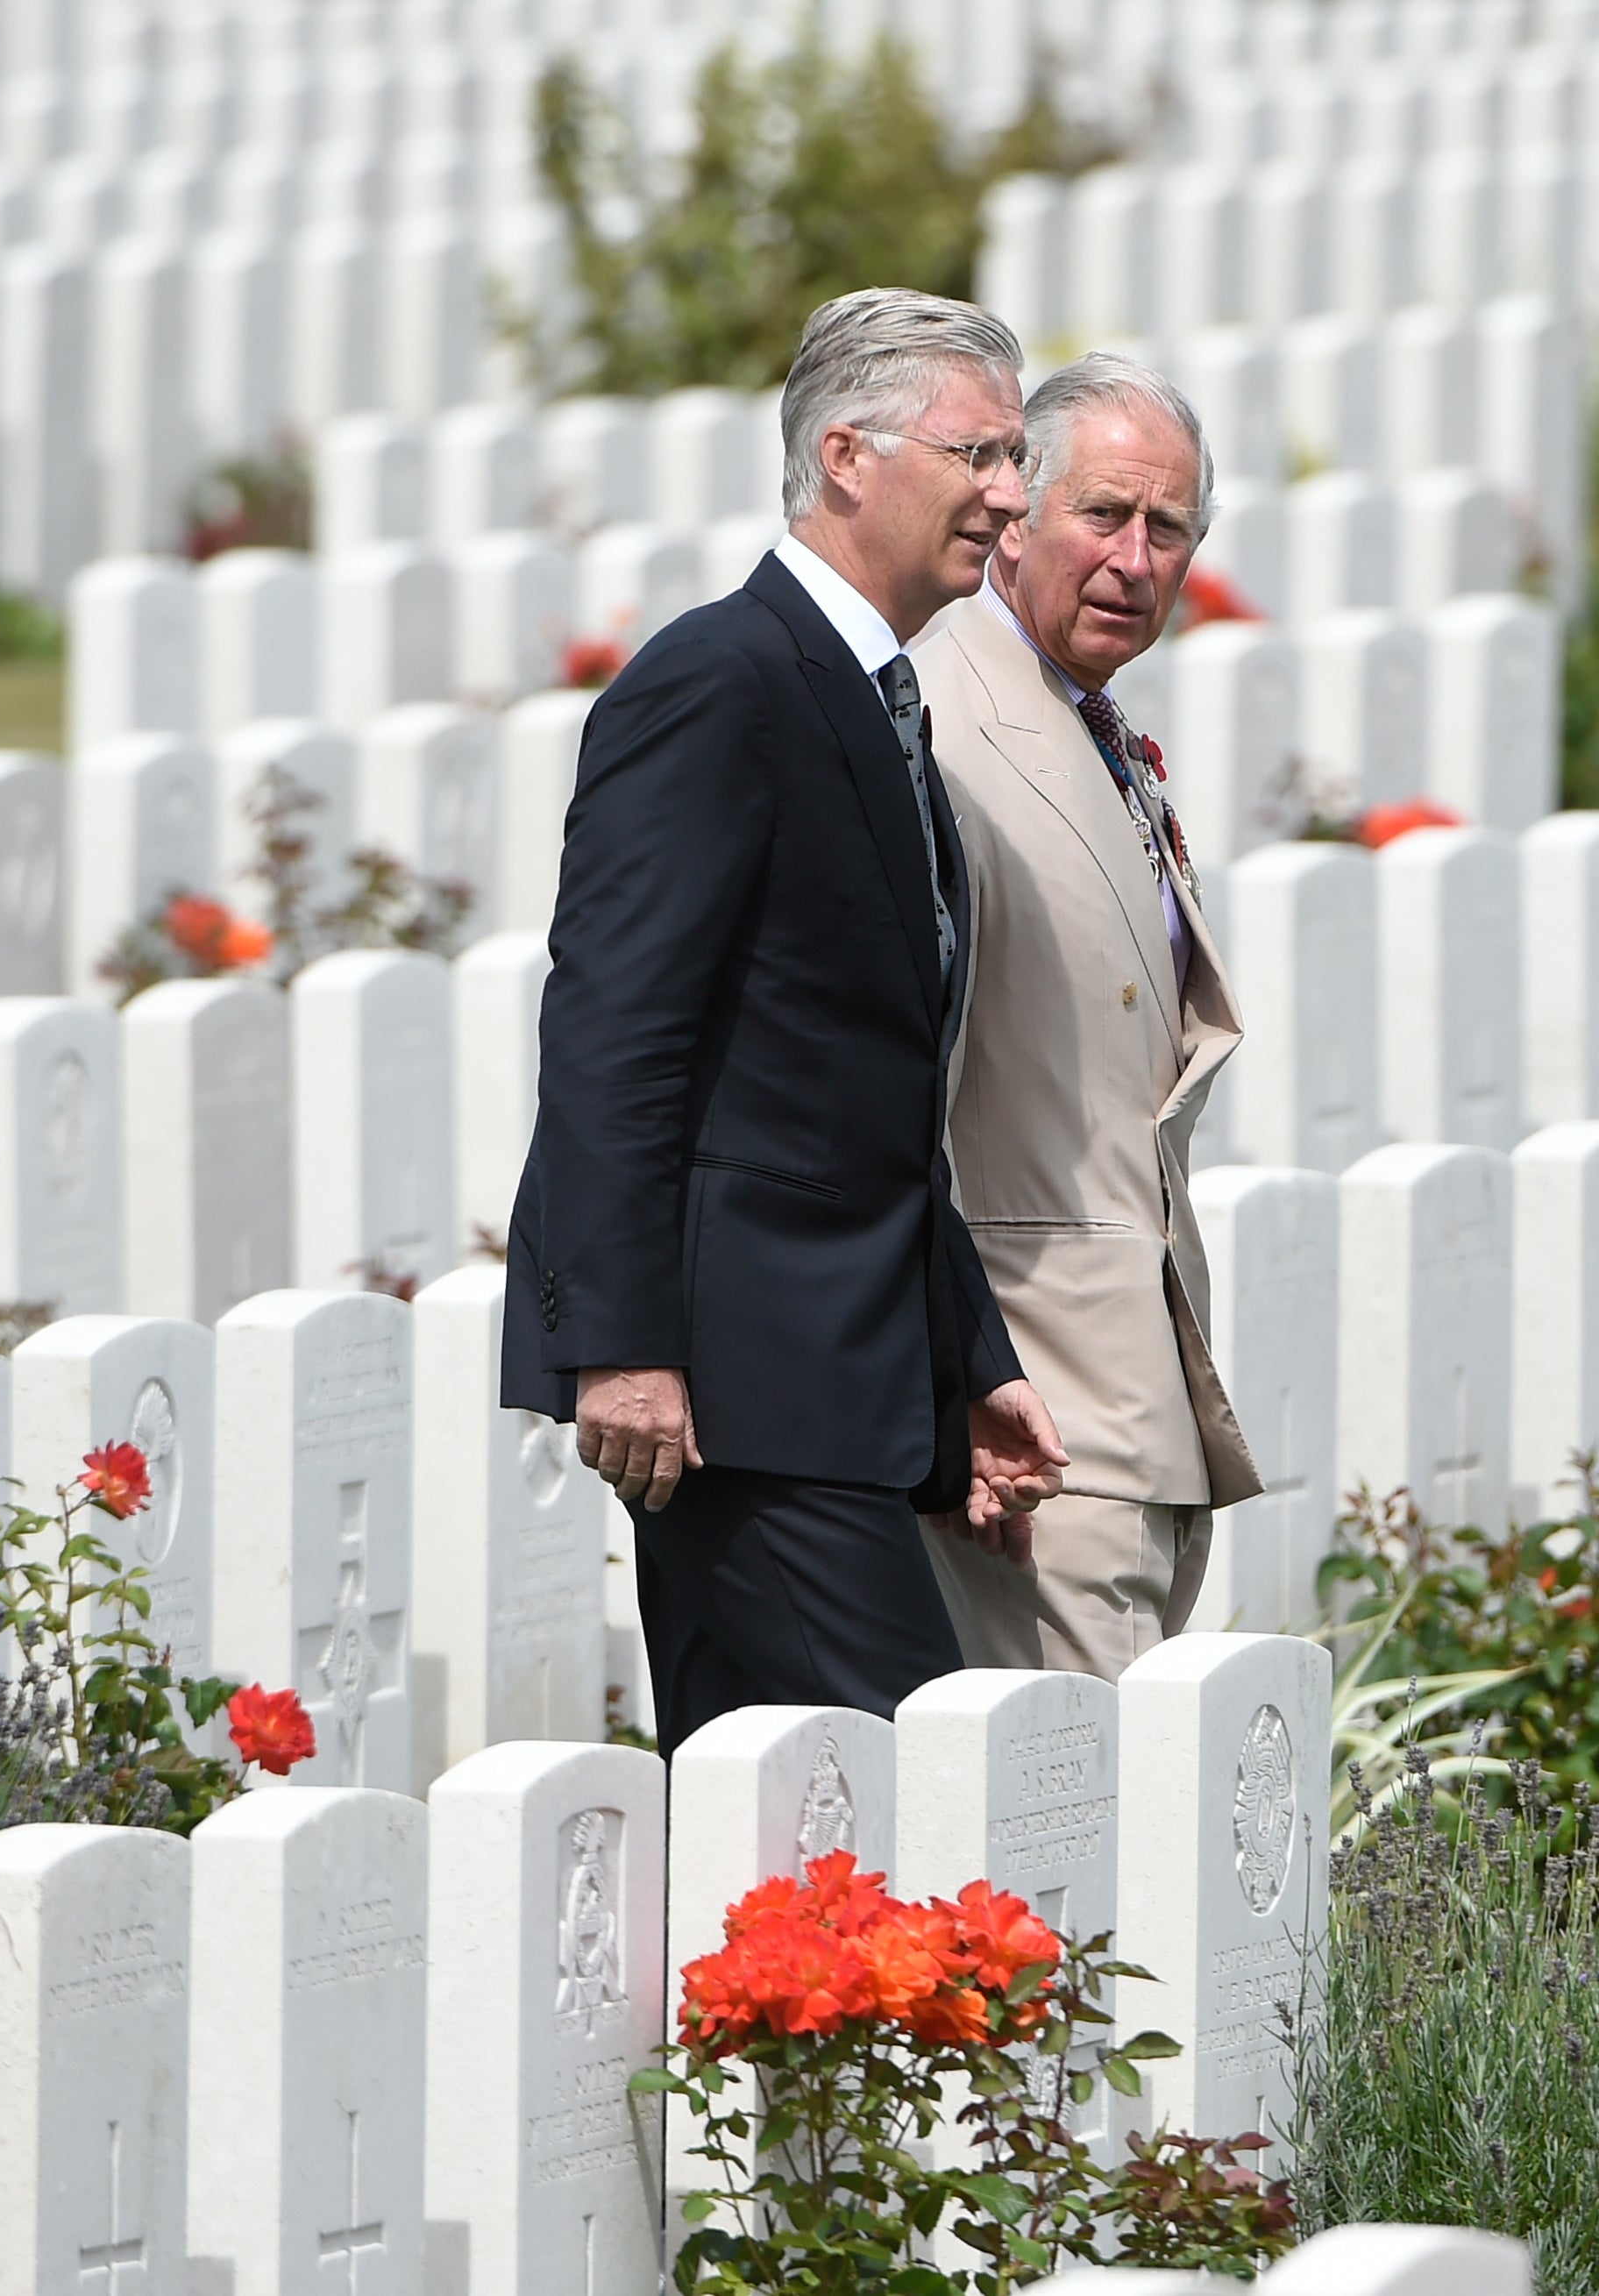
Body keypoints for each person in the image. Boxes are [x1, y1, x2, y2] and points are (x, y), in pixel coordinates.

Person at [500, 287, 1070, 1751]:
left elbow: (863, 1094)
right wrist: (621, 1345)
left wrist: (970, 1363)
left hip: (839, 1376)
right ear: (844, 457)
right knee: (900, 1813)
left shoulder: (872, 693)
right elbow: (615, 1033)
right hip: (736, 1388)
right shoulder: (721, 681)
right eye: (980, 456)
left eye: (1017, 459)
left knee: (804, 1844)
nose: (1011, 498)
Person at [907, 352, 1263, 1676]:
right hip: (1029, 1402)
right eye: (1100, 515)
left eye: (1166, 529)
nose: (1133, 557)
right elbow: (909, 1094)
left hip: (1138, 1378)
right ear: (1013, 518)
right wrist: (950, 1389)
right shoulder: (942, 728)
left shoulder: (1082, 721)